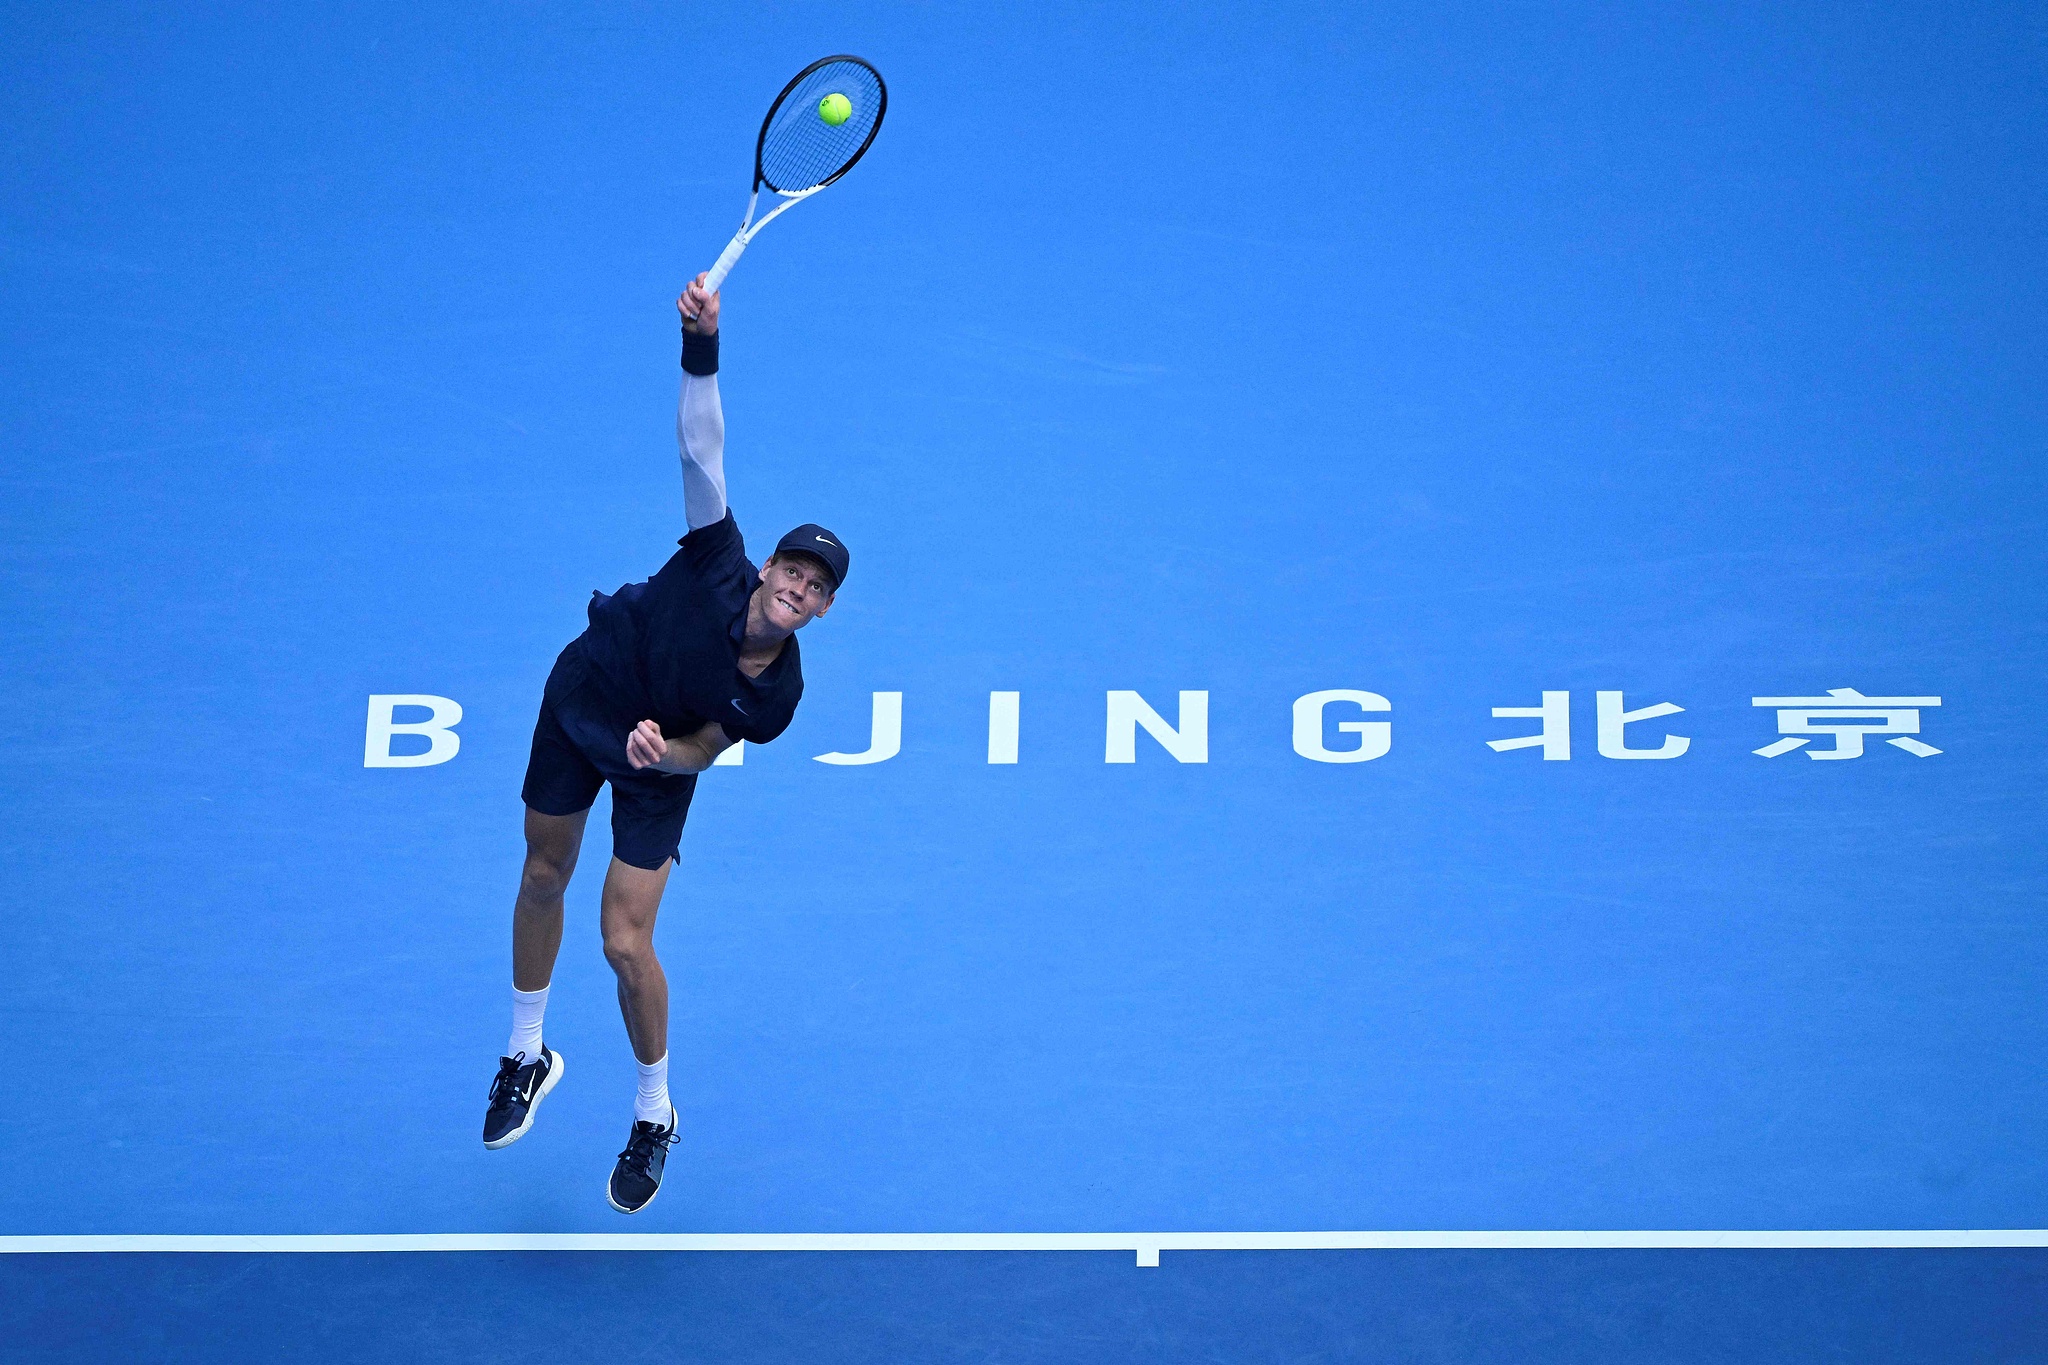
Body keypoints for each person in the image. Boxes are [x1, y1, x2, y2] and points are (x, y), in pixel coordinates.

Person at [480, 274, 848, 1214]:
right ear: (766, 565)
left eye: (814, 588)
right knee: (540, 873)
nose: (795, 588)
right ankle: (525, 1051)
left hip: (658, 762)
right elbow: (701, 443)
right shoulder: (715, 552)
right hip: (585, 695)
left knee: (624, 941)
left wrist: (661, 754)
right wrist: (702, 345)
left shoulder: (776, 692)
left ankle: (653, 1111)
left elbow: (705, 752)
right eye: (791, 569)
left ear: (822, 611)